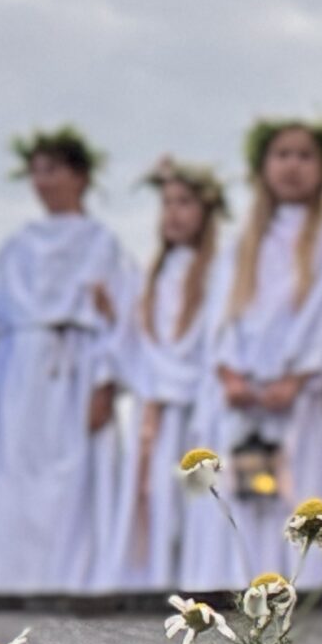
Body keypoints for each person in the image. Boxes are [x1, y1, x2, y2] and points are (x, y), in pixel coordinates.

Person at [177, 118, 322, 589]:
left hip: (302, 399)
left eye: (304, 156)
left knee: (301, 499)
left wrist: (299, 376)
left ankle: (298, 605)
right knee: (238, 506)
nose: (292, 166)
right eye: (282, 155)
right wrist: (229, 374)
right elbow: (220, 317)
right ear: (263, 167)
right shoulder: (244, 242)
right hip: (243, 397)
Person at [0, 125, 135, 593]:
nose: (41, 181)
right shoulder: (17, 248)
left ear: (79, 176)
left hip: (76, 369)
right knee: (16, 483)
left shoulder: (103, 244)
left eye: (51, 170)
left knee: (75, 485)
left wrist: (107, 382)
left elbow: (126, 321)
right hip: (21, 376)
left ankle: (77, 587)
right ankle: (9, 585)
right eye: (35, 172)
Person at [96, 157, 229, 591]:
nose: (173, 213)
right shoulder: (151, 277)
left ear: (205, 212)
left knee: (192, 505)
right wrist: (112, 314)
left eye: (185, 203)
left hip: (197, 407)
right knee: (149, 499)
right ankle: (147, 585)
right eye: (167, 203)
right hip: (154, 407)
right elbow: (133, 344)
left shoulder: (216, 273)